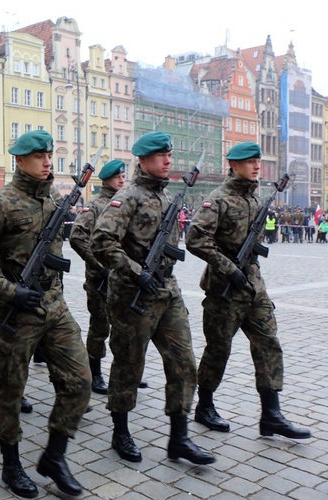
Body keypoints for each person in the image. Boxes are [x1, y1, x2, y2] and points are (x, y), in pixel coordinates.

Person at [0, 130, 91, 498]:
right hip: (17, 312)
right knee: (13, 389)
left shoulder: (50, 200)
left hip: (53, 306)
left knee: (79, 381)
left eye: (48, 155)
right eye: (38, 156)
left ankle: (54, 454)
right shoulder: (1, 203)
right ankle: (11, 462)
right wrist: (7, 290)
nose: (47, 161)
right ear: (19, 160)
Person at [91, 131, 215, 466]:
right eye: (161, 155)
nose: (168, 160)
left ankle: (179, 438)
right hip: (133, 296)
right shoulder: (128, 197)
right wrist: (136, 271)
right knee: (129, 366)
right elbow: (101, 242)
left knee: (183, 364)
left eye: (170, 155)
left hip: (167, 292)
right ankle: (120, 431)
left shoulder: (165, 197)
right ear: (144, 160)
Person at [185, 141, 311, 440]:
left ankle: (272, 415)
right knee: (218, 350)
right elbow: (195, 239)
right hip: (224, 290)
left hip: (254, 287)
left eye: (258, 161)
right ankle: (204, 406)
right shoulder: (218, 200)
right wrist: (229, 268)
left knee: (268, 343)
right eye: (250, 161)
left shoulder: (255, 199)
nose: (257, 166)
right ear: (233, 165)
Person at [70, 160, 131, 395]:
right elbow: (77, 237)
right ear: (106, 180)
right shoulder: (95, 205)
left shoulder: (126, 201)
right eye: (118, 177)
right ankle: (95, 373)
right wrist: (100, 264)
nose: (122, 180)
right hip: (100, 279)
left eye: (124, 177)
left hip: (122, 277)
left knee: (125, 328)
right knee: (100, 327)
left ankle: (125, 372)